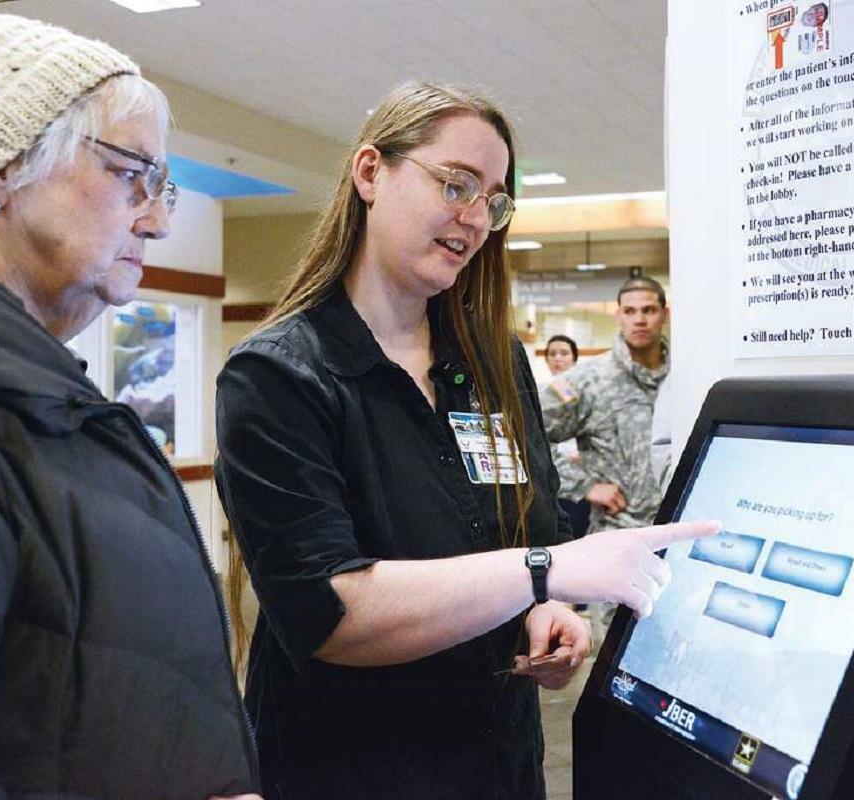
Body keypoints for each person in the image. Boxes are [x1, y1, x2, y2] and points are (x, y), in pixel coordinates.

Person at [214, 81, 717, 800]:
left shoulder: (492, 363)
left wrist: (547, 615)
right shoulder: (278, 375)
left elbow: (524, 534)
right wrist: (543, 572)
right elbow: (329, 612)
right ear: (369, 174)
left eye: (493, 200)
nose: (476, 218)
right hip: (351, 768)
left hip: (496, 761)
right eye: (456, 184)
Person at [0, 15, 259, 799]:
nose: (159, 218)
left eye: (162, 185)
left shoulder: (30, 394)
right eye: (130, 172)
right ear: (2, 167)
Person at [539, 276, 671, 638]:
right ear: (618, 317)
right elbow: (526, 434)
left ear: (664, 314)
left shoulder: (685, 374)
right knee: (617, 659)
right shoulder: (587, 380)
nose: (640, 320)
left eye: (649, 310)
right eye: (630, 312)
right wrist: (584, 485)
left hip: (679, 542)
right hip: (620, 546)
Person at [541, 334, 591, 540]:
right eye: (552, 354)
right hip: (550, 481)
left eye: (564, 353)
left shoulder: (581, 390)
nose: (558, 358)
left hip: (580, 480)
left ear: (574, 358)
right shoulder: (538, 390)